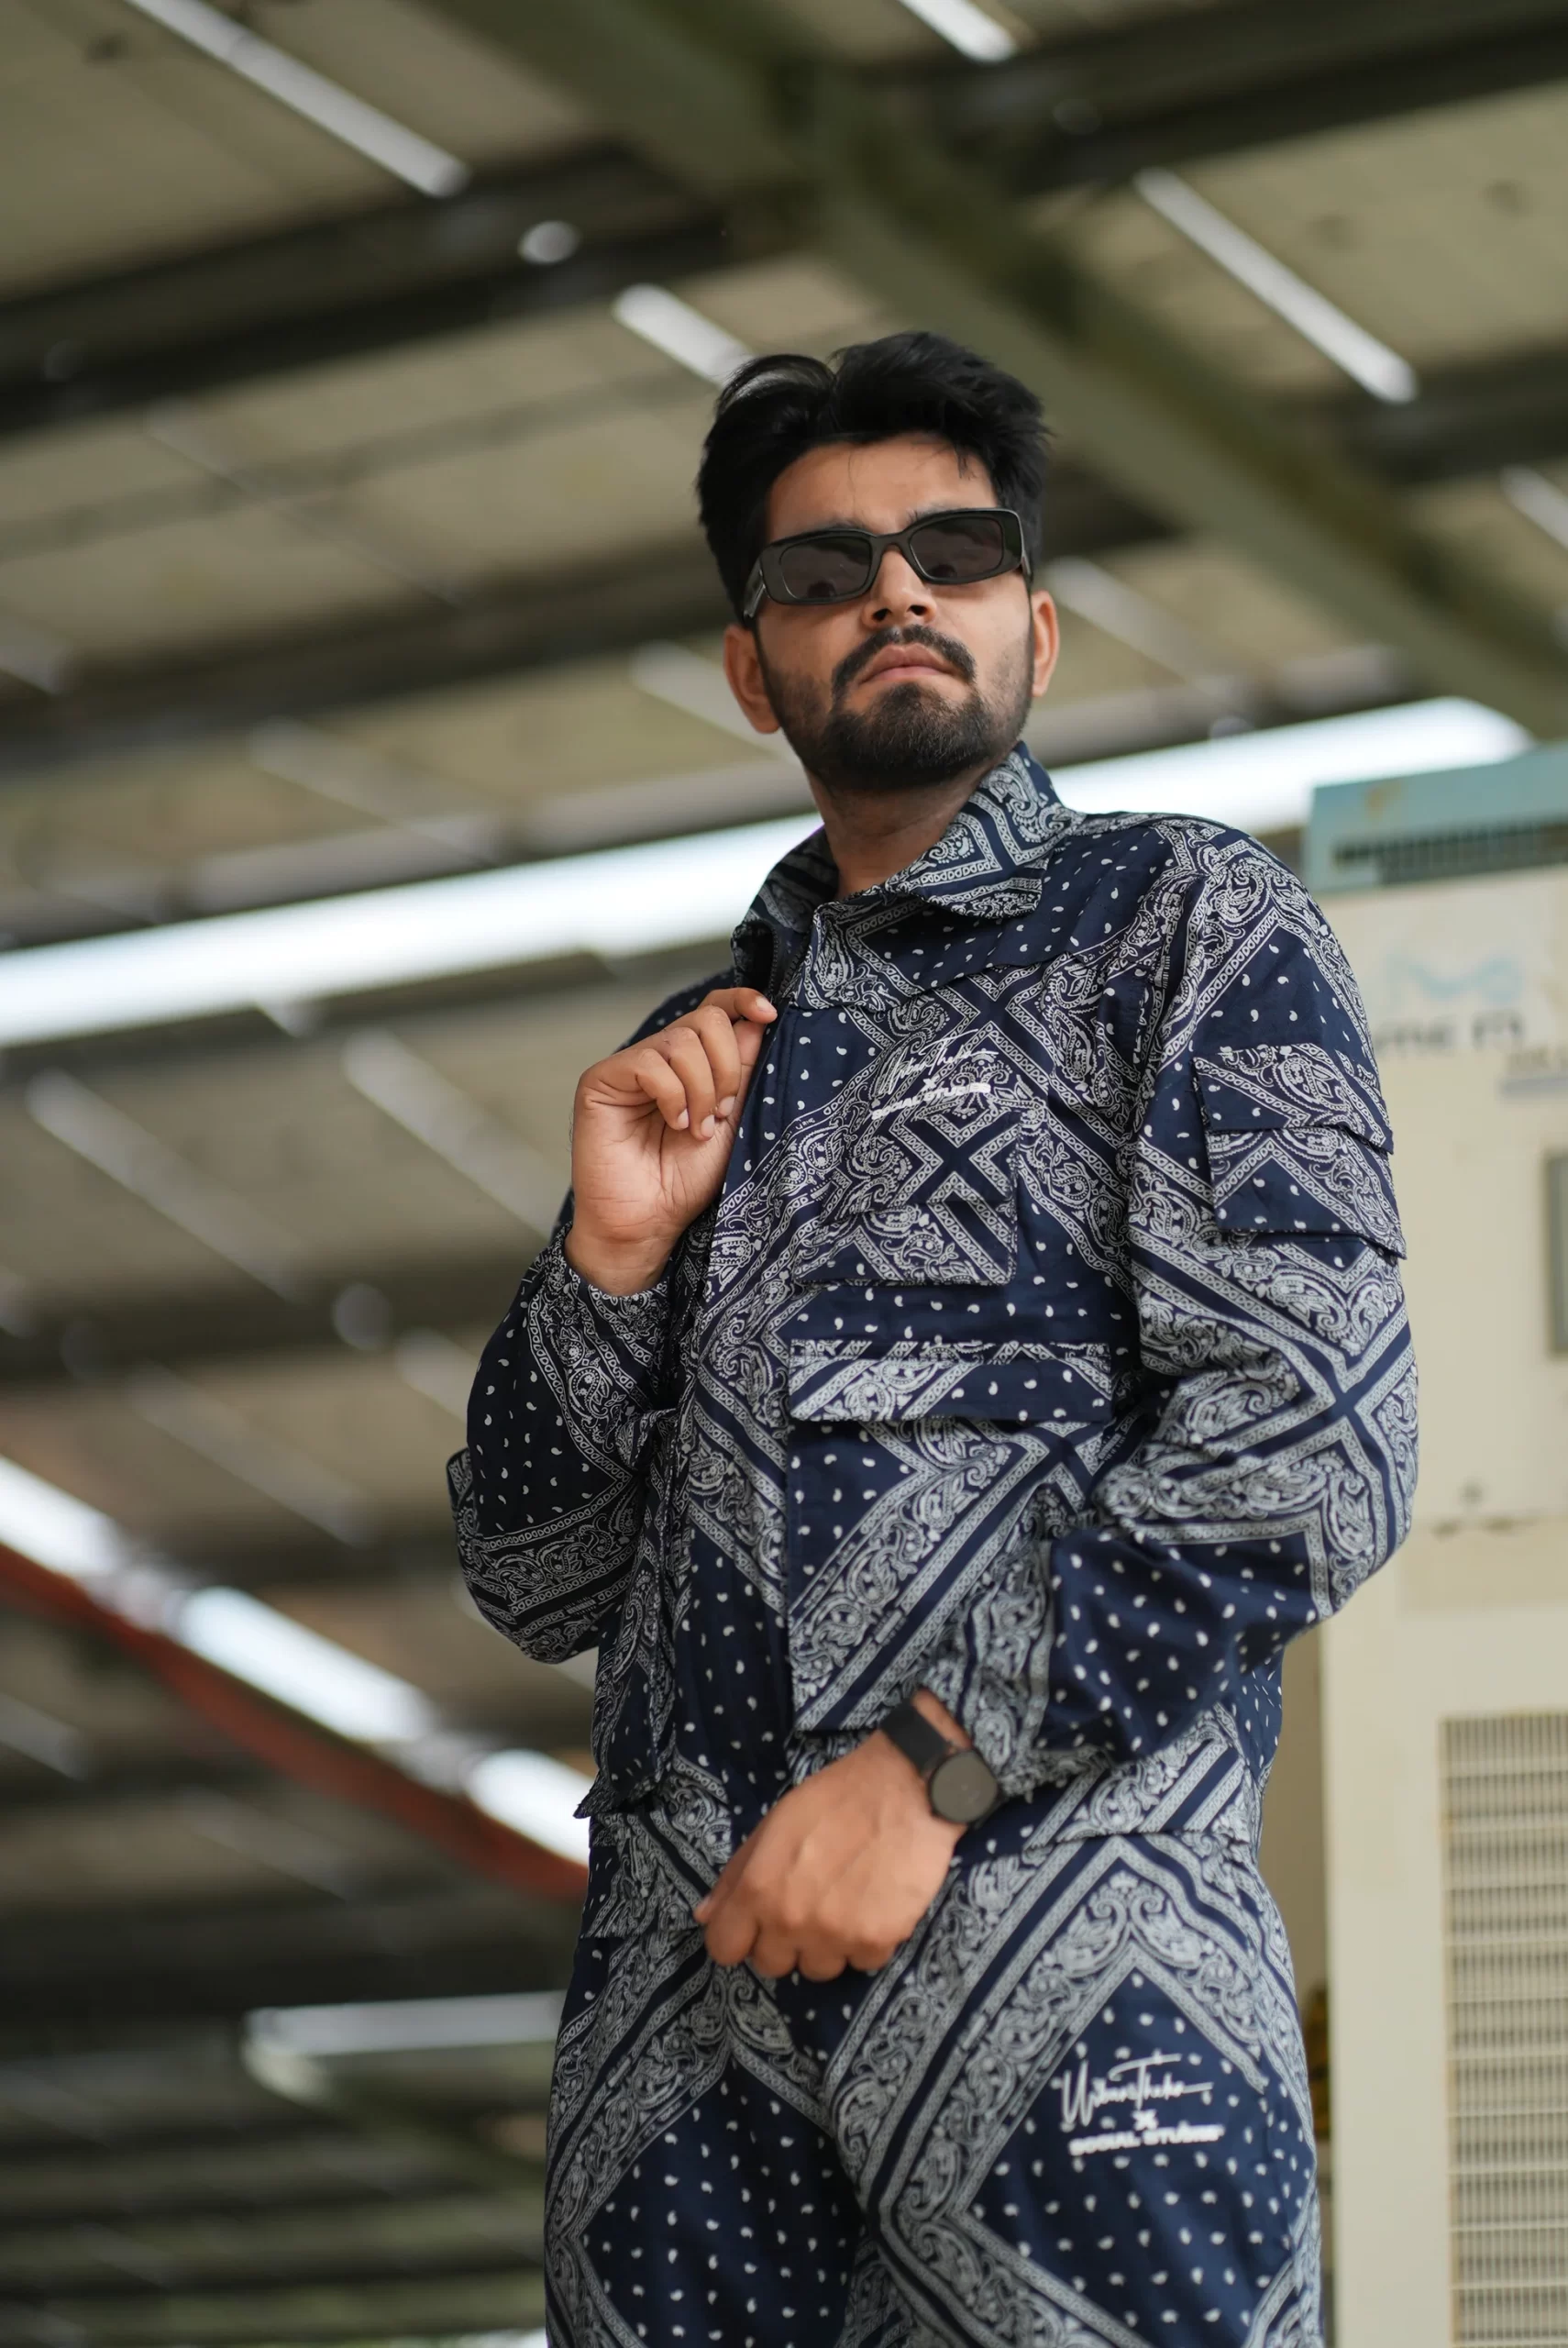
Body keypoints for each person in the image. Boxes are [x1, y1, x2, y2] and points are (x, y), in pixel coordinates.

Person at [448, 330, 1416, 2348]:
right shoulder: (703, 1058)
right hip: (683, 2039)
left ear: (1032, 628)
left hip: (1069, 1969)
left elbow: (1312, 1430)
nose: (894, 589)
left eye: (952, 552)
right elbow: (531, 1575)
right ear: (753, 667)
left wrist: (932, 1766)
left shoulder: (1183, 921)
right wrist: (608, 1264)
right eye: (823, 571)